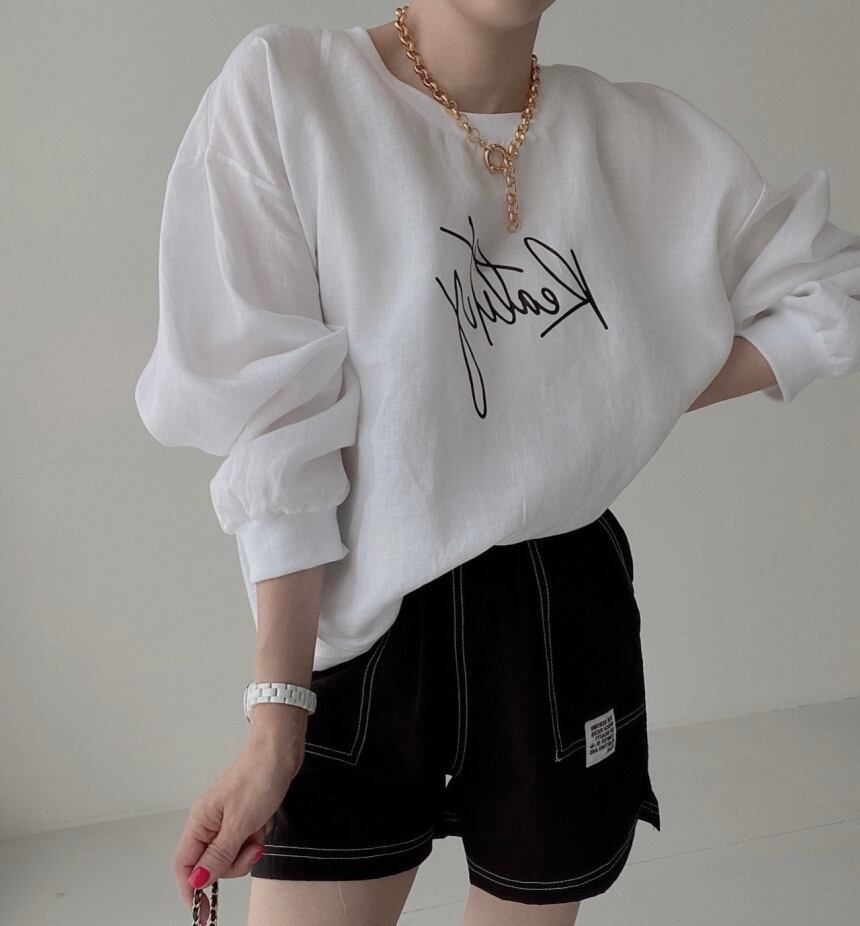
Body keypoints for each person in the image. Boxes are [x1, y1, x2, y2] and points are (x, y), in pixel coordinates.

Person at [134, 2, 860, 923]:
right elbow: (278, 431)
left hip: (560, 613)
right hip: (358, 618)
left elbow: (833, 289)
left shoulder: (637, 138)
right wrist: (275, 720)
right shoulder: (290, 92)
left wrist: (619, 389)